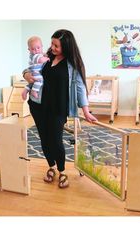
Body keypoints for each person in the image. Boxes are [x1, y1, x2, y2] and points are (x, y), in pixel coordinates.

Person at [23, 29, 97, 188]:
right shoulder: (46, 57)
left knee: (56, 140)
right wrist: (26, 76)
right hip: (38, 105)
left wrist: (86, 111)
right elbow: (29, 69)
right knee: (44, 138)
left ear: (67, 46)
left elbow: (80, 87)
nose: (52, 48)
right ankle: (51, 166)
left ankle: (62, 171)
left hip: (58, 108)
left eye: (56, 45)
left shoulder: (73, 64)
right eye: (52, 44)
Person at [21, 36, 49, 102]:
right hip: (35, 72)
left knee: (32, 83)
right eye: (33, 49)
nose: (36, 50)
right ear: (29, 49)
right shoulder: (35, 55)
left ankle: (26, 90)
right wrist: (47, 58)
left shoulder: (39, 54)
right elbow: (41, 60)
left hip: (34, 71)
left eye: (38, 48)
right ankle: (34, 91)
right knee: (39, 80)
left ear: (42, 46)